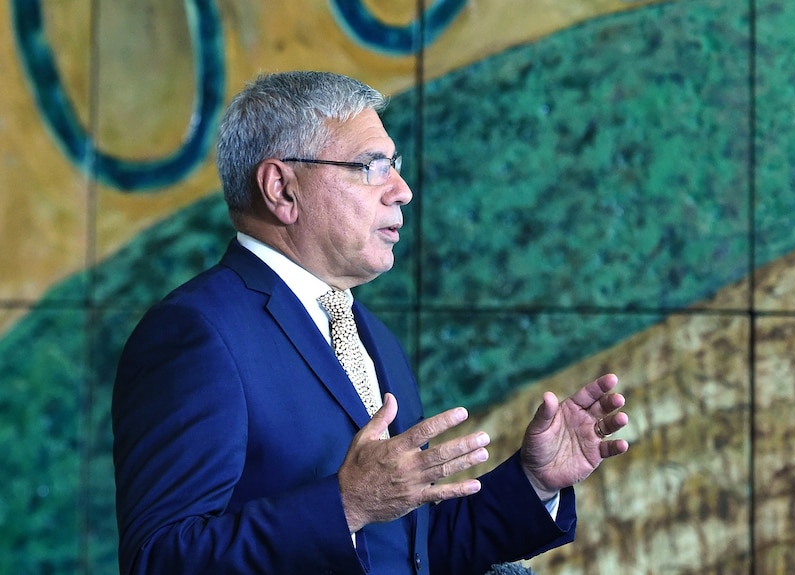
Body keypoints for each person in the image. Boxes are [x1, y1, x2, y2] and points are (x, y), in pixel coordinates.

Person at [112, 70, 629, 575]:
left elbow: (413, 550)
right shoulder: (196, 333)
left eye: (394, 165)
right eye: (371, 165)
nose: (401, 190)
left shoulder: (370, 333)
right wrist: (345, 505)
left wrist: (534, 481)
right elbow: (159, 558)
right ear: (282, 189)